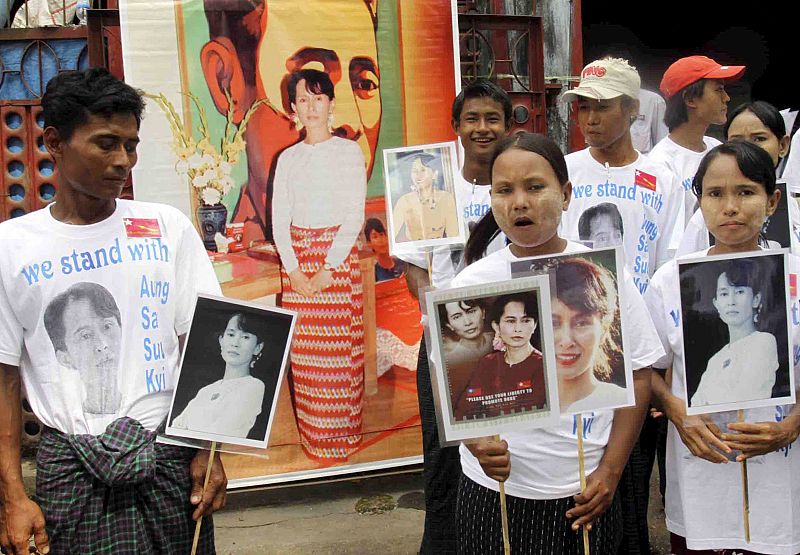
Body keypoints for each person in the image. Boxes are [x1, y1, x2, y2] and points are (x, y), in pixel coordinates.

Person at [0, 68, 225, 555]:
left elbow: (201, 344)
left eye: (131, 145)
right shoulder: (12, 248)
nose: (123, 161)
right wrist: (13, 495)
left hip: (166, 456)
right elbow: (4, 379)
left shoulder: (166, 228)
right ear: (55, 143)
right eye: (106, 143)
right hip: (71, 468)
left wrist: (208, 451)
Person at [452, 132, 662, 553]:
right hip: (493, 495)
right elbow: (455, 392)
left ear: (565, 194)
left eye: (535, 187)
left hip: (583, 492)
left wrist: (611, 472)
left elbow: (638, 375)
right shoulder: (472, 285)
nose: (519, 203)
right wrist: (474, 443)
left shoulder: (603, 276)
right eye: (504, 190)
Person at [644, 140, 800, 554]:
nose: (730, 207)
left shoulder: (795, 277)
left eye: (746, 192)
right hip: (702, 468)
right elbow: (647, 370)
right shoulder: (668, 282)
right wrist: (677, 412)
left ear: (773, 200)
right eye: (715, 194)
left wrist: (792, 423)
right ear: (699, 201)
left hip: (782, 476)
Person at [412, 78, 512, 555]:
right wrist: (436, 319)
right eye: (471, 118)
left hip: (504, 345)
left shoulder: (515, 187)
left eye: (492, 118)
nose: (482, 127)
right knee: (445, 455)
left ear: (508, 125)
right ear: (455, 127)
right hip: (442, 347)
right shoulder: (432, 182)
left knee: (501, 450)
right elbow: (415, 266)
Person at [201, 0, 381, 245]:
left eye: (365, 84)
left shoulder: (372, 229)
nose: (350, 123)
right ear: (226, 82)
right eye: (306, 92)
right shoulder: (289, 160)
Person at [271, 68, 366, 461]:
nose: (311, 107)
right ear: (293, 108)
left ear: (331, 103)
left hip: (338, 264)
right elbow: (279, 218)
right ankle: (313, 439)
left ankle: (345, 441)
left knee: (342, 360)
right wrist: (294, 272)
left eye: (318, 98)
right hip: (297, 264)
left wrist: (328, 268)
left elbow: (353, 213)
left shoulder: (349, 151)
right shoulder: (287, 158)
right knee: (308, 364)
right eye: (303, 99)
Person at [559, 56, 682, 294]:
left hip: (643, 322)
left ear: (633, 109)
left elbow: (669, 263)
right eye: (584, 107)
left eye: (603, 107)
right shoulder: (562, 172)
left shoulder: (663, 180)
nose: (591, 119)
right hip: (579, 318)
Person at [678, 101, 795, 255]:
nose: (747, 148)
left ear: (783, 145)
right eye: (737, 141)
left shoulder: (793, 206)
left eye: (759, 139)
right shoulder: (704, 217)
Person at [648, 55, 746, 231]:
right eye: (718, 90)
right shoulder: (660, 164)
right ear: (690, 99)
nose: (727, 98)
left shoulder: (718, 148)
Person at [689, 259, 778, 408]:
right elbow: (696, 405)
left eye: (740, 292)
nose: (731, 301)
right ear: (716, 304)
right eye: (724, 294)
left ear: (756, 299)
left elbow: (743, 397)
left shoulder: (764, 342)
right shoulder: (715, 360)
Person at [171, 312, 269, 439]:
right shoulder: (206, 390)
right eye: (231, 334)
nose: (235, 343)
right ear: (221, 340)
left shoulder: (254, 386)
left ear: (258, 347)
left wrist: (188, 431)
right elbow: (176, 427)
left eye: (245, 337)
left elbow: (220, 432)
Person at [452, 295, 546, 421]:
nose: (518, 329)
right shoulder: (488, 362)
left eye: (526, 320)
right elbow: (464, 409)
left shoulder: (544, 365)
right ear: (496, 326)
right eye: (510, 321)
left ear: (535, 325)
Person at [552, 258, 628, 413]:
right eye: (554, 323)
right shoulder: (518, 406)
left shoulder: (621, 402)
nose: (566, 341)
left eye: (581, 323)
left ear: (604, 327)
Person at [42, 282, 122, 415]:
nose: (102, 345)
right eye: (85, 336)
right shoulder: (64, 423)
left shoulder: (150, 408)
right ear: (65, 358)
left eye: (107, 326)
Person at [391, 152, 458, 242]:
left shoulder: (445, 198)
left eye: (423, 170)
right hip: (414, 253)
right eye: (415, 171)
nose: (418, 175)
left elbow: (454, 236)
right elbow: (392, 237)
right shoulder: (404, 201)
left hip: (440, 251)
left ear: (434, 174)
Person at [439, 298, 494, 402]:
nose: (467, 322)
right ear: (449, 325)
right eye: (456, 317)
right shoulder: (450, 361)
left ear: (483, 312)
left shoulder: (501, 339)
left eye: (471, 311)